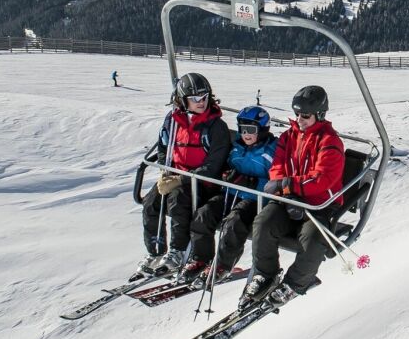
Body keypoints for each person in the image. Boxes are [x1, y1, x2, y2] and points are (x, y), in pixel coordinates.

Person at [241, 85, 346, 310]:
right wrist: (286, 191)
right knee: (263, 222)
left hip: (318, 205)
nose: (300, 119)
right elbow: (277, 168)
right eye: (297, 114)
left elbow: (322, 180)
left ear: (319, 114)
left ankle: (295, 283)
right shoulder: (289, 137)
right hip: (289, 201)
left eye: (305, 115)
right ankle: (264, 274)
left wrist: (287, 185)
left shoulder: (330, 142)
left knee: (313, 240)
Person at [137, 73, 232, 277]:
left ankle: (178, 251)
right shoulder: (173, 121)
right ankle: (155, 251)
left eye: (205, 97)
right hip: (176, 175)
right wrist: (166, 170)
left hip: (203, 183)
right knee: (151, 202)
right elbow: (164, 147)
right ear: (182, 100)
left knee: (178, 200)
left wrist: (182, 178)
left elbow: (213, 165)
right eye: (195, 98)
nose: (201, 102)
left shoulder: (216, 128)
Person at [181, 105, 277, 285]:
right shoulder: (236, 147)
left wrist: (254, 183)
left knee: (233, 223)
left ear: (263, 129)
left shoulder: (271, 151)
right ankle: (201, 258)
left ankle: (223, 265)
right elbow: (225, 165)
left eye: (251, 130)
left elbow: (277, 178)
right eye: (242, 129)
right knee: (203, 214)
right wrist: (227, 173)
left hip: (254, 200)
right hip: (229, 193)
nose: (245, 134)